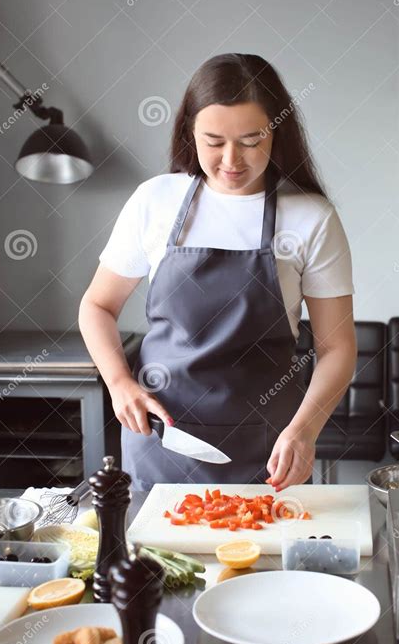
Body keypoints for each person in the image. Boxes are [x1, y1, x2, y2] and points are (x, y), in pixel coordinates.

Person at [79, 53, 357, 493]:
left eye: (251, 141)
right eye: (213, 141)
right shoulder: (155, 201)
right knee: (155, 562)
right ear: (189, 130)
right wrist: (118, 382)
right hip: (160, 441)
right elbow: (97, 305)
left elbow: (337, 347)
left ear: (277, 133)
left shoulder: (311, 218)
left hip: (269, 449)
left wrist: (305, 430)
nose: (232, 160)